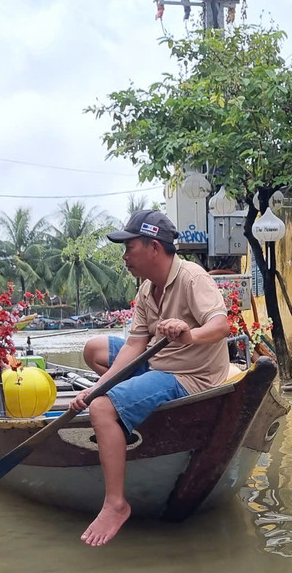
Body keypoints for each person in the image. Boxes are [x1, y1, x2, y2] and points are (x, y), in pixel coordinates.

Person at [70, 209, 232, 546]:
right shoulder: (147, 289)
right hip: (158, 361)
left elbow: (221, 326)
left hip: (189, 376)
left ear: (154, 248)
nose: (124, 256)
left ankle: (116, 504)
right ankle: (126, 411)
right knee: (95, 350)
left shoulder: (192, 277)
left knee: (100, 410)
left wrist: (189, 334)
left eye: (130, 247)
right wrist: (101, 386)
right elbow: (134, 345)